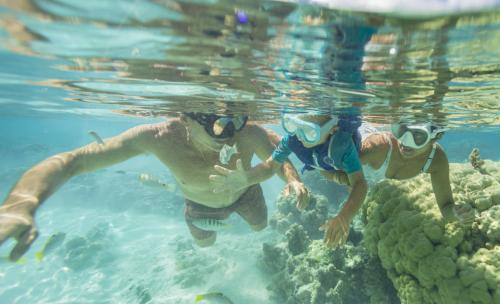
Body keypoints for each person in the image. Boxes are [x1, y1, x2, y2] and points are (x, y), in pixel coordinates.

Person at [0, 112, 308, 261]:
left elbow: (277, 155)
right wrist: (21, 203)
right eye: (218, 125)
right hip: (198, 206)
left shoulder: (246, 130)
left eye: (237, 120)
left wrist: (293, 181)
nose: (230, 133)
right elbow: (74, 161)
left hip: (246, 194)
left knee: (260, 227)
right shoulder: (158, 137)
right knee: (205, 247)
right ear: (186, 119)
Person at [209, 113, 367, 248]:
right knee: (333, 174)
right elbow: (270, 166)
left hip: (346, 156)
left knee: (372, 156)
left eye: (310, 132)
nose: (300, 135)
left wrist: (344, 216)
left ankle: (378, 136)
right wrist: (247, 178)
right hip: (322, 164)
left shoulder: (342, 146)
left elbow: (360, 183)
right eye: (293, 126)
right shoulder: (294, 139)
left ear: (333, 129)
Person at [327, 122, 475, 223]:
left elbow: (446, 207)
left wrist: (456, 214)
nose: (405, 142)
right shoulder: (377, 148)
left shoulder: (436, 160)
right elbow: (320, 166)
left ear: (436, 136)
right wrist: (341, 178)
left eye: (417, 135)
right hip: (364, 131)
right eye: (402, 130)